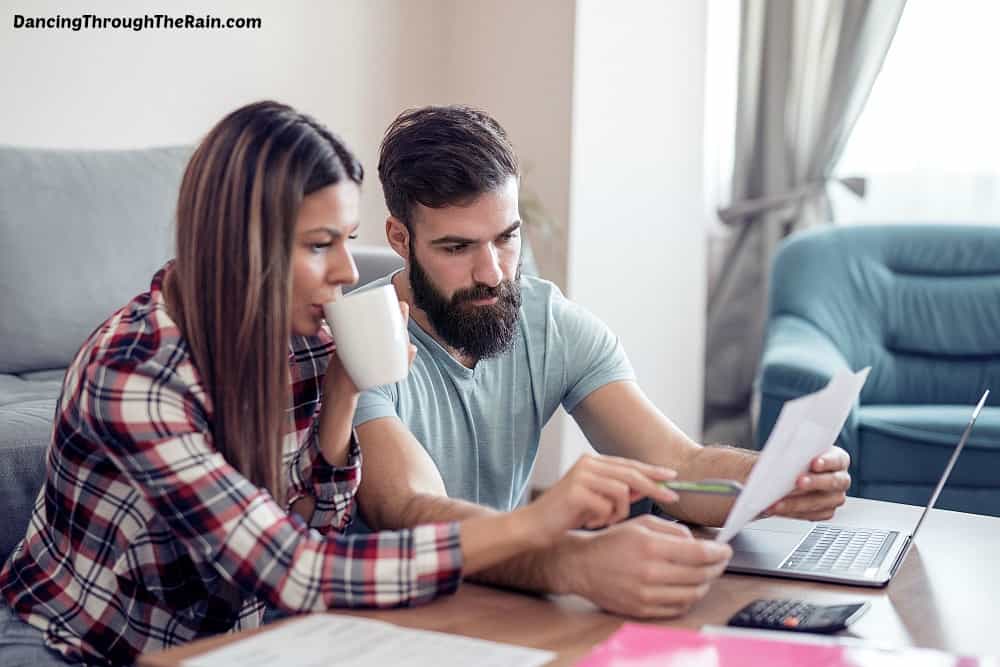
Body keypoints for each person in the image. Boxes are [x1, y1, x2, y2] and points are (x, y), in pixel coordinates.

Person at [0, 101, 681, 666]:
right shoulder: (134, 377)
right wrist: (540, 524)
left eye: (349, 240)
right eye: (321, 244)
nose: (350, 272)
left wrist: (342, 396)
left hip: (233, 641)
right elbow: (297, 568)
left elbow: (317, 526)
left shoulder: (306, 336)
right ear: (242, 244)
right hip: (80, 646)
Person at [352, 105, 853, 619]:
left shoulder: (549, 322)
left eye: (506, 237)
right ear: (400, 238)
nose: (492, 273)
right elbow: (409, 511)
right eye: (457, 247)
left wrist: (776, 478)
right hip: (390, 614)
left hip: (500, 601)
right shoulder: (359, 342)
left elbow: (677, 467)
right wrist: (574, 563)